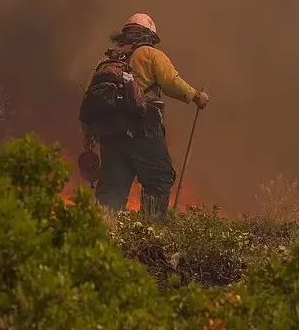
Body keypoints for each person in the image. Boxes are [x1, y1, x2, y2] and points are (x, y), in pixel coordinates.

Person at [82, 13, 209, 217]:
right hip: (143, 131)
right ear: (149, 36)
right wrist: (195, 96)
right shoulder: (150, 54)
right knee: (159, 178)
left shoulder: (105, 59)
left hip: (110, 135)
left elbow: (90, 97)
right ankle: (149, 233)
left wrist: (88, 134)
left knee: (111, 190)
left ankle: (104, 236)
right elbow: (171, 82)